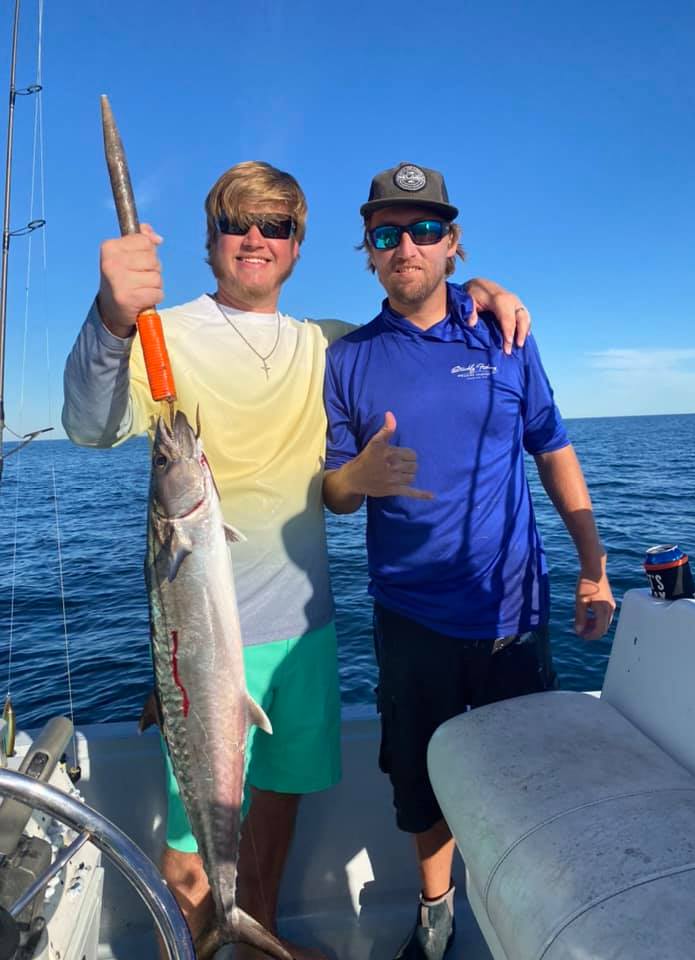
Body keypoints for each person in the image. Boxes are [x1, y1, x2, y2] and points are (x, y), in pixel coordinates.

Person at [62, 161, 531, 959]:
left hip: (305, 627)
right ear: (211, 243)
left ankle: (258, 939)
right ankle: (200, 947)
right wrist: (111, 315)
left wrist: (480, 289)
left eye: (274, 226)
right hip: (199, 641)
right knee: (191, 839)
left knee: (278, 803)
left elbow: (412, 319)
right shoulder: (161, 333)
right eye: (236, 224)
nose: (255, 238)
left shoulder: (329, 345)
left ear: (298, 245)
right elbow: (86, 422)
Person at [322, 162, 616, 960]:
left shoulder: (506, 333)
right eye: (386, 234)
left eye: (423, 230)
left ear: (452, 245)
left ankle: (537, 920)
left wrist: (594, 564)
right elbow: (335, 492)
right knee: (420, 789)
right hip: (410, 617)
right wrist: (355, 479)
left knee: (528, 779)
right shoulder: (349, 360)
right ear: (370, 254)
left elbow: (552, 448)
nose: (404, 246)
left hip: (512, 613)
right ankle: (437, 916)